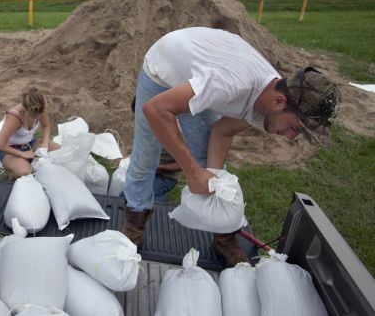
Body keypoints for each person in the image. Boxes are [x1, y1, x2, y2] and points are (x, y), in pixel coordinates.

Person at [122, 26, 341, 267]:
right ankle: (135, 221)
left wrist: (214, 179)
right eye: (295, 128)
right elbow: (155, 109)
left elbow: (222, 131)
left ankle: (223, 236)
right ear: (280, 101)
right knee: (146, 155)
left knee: (208, 160)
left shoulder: (267, 100)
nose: (290, 137)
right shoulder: (230, 85)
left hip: (202, 69)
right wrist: (193, 172)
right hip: (163, 67)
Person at [0, 88, 60, 179]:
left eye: (39, 115)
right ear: (26, 109)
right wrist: (22, 154)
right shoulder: (14, 117)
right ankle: (12, 172)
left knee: (60, 151)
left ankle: (26, 161)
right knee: (25, 172)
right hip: (9, 149)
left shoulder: (40, 108)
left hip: (29, 144)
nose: (38, 117)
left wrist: (45, 145)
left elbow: (46, 126)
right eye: (34, 115)